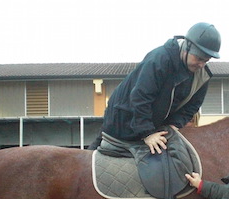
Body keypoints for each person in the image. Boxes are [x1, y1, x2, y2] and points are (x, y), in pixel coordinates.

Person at [88, 22, 221, 153]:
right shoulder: (159, 60)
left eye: (206, 60)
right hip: (122, 120)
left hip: (154, 125)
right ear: (187, 46)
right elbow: (140, 97)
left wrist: (173, 126)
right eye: (199, 58)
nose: (202, 65)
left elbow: (192, 106)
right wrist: (147, 133)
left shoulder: (202, 76)